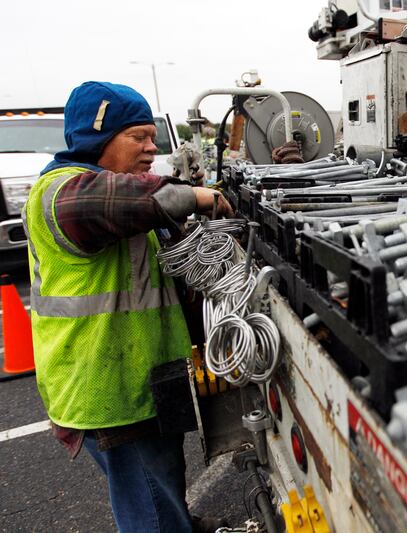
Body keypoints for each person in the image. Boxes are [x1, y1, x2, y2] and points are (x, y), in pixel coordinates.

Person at [23, 81, 233, 533]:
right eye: (137, 137)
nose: (151, 148)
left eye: (152, 137)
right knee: (148, 500)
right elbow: (143, 200)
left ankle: (175, 520)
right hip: (109, 388)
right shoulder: (61, 195)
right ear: (97, 139)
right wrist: (199, 197)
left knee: (159, 481)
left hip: (145, 376)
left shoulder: (106, 191)